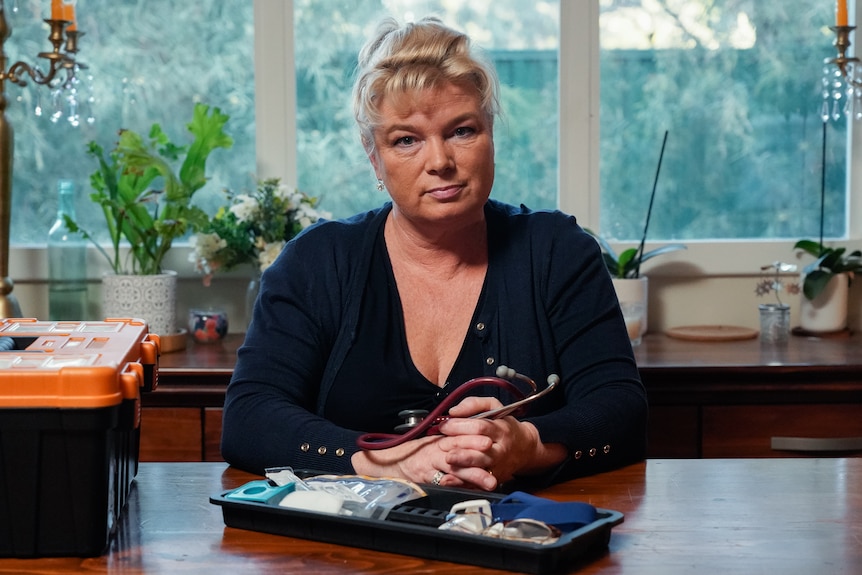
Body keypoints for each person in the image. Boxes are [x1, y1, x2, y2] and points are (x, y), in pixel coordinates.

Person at [221, 16, 647, 491]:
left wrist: (526, 444)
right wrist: (389, 462)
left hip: (521, 545)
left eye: (462, 131)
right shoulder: (316, 263)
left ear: (490, 135)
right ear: (373, 157)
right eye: (406, 140)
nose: (440, 162)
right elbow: (249, 419)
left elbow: (621, 408)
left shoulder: (557, 252)